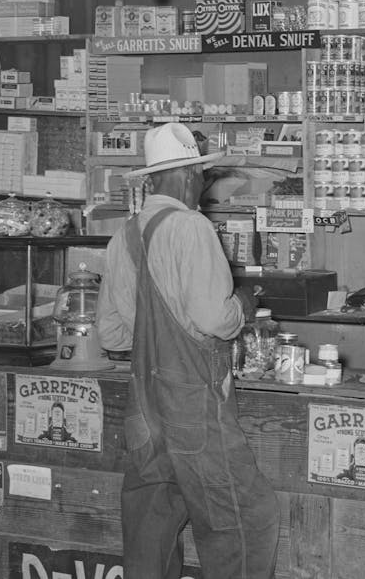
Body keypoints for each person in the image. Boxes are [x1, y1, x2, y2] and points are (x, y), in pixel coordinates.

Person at [96, 122, 279, 579]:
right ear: (188, 176)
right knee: (242, 519)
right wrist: (244, 302)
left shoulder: (125, 235)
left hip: (144, 407)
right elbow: (214, 320)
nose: (204, 183)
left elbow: (113, 337)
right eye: (202, 174)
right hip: (192, 405)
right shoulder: (192, 227)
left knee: (149, 527)